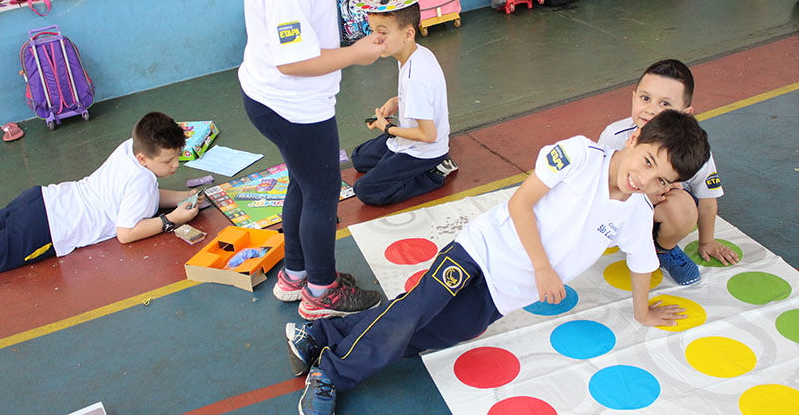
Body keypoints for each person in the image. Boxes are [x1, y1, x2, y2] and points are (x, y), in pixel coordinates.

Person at [286, 110, 711, 415]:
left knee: (424, 332)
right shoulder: (580, 155)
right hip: (479, 251)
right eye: (648, 161)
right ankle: (330, 374)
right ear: (634, 139)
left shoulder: (636, 210)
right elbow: (521, 203)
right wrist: (543, 268)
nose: (644, 179)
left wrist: (643, 310)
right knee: (410, 316)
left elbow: (642, 261)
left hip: (502, 295)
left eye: (660, 180)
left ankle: (319, 334)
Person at [238, 0, 415, 320]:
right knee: (321, 192)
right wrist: (358, 53)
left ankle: (294, 275)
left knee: (303, 183)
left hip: (276, 97)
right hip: (292, 106)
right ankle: (321, 292)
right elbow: (293, 62)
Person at [0, 111, 200, 273]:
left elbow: (140, 196)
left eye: (177, 156)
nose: (175, 164)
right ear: (143, 159)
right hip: (45, 229)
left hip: (41, 199)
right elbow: (126, 233)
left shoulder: (130, 148)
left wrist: (183, 197)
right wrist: (171, 219)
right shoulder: (143, 180)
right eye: (168, 160)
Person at [598, 59, 739, 286]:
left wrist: (707, 241)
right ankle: (624, 241)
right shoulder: (614, 136)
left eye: (665, 103)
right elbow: (597, 187)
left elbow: (707, 200)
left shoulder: (692, 148)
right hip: (621, 211)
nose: (651, 110)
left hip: (660, 213)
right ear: (633, 97)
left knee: (682, 207)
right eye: (645, 98)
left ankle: (663, 250)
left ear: (686, 113)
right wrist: (641, 197)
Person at [351, 0, 457, 206]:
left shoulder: (414, 77)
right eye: (373, 31)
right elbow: (426, 96)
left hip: (423, 151)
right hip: (410, 140)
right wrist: (397, 101)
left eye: (383, 32)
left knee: (365, 190)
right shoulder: (417, 53)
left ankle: (434, 174)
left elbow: (428, 135)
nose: (375, 39)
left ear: (408, 34)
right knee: (359, 158)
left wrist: (387, 128)